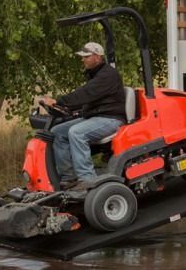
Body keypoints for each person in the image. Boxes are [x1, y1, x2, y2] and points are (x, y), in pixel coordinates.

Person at [42, 42, 125, 185]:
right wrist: (67, 109)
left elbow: (85, 93)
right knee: (57, 132)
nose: (83, 59)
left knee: (76, 132)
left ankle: (87, 179)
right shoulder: (96, 74)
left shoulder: (107, 75)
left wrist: (59, 101)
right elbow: (87, 98)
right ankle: (68, 177)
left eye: (86, 56)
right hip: (96, 116)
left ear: (97, 57)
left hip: (111, 118)